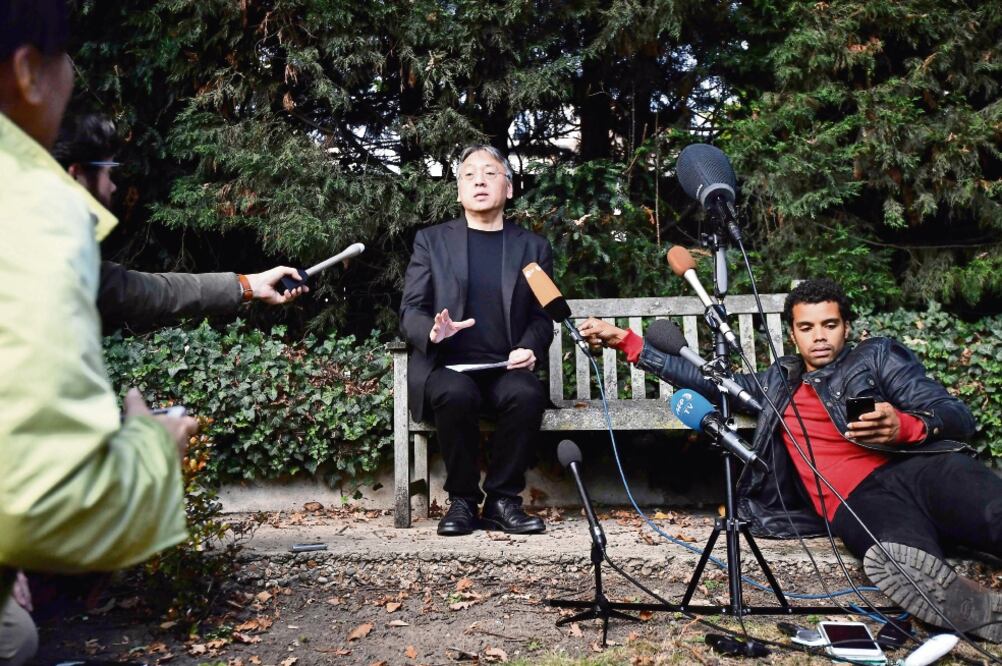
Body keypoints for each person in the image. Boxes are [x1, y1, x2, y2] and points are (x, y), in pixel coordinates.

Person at [578, 278, 1002, 642]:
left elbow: (956, 415)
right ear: (793, 335)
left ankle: (948, 587)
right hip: (856, 498)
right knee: (899, 551)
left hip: (920, 467)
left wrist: (906, 425)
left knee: (989, 509)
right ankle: (967, 604)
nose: (820, 336)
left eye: (830, 325)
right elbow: (708, 380)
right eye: (807, 327)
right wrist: (627, 342)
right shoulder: (777, 382)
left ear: (846, 327)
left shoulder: (876, 356)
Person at [0, 2, 197, 663]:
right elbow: (47, 502)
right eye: (66, 70)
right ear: (28, 72)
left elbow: (143, 290)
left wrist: (251, 285)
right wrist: (152, 444)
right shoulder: (38, 209)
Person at [399, 145, 553, 536]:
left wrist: (530, 348)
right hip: (448, 366)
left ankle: (502, 501)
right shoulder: (431, 242)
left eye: (489, 173)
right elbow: (411, 310)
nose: (479, 181)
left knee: (527, 394)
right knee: (456, 393)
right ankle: (463, 500)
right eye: (469, 175)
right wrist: (433, 333)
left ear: (510, 188)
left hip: (504, 367)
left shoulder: (532, 247)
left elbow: (543, 315)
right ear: (458, 191)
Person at [52, 113, 307, 332]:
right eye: (108, 171)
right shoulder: (46, 264)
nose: (113, 186)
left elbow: (155, 292)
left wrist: (250, 285)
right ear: (76, 176)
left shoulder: (71, 262)